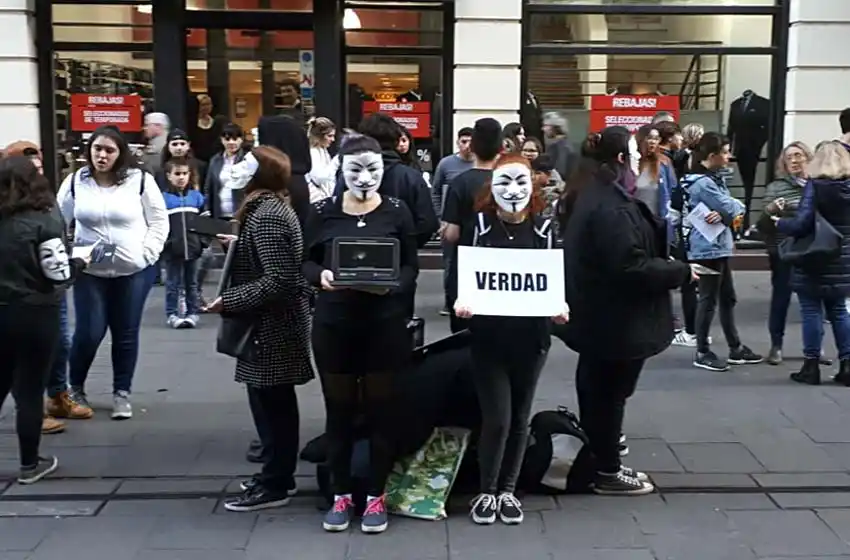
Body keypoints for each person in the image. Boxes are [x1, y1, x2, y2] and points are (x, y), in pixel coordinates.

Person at [558, 126, 692, 495]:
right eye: (633, 155)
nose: (636, 162)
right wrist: (680, 271)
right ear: (620, 160)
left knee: (598, 390)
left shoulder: (590, 193)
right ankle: (607, 470)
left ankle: (601, 458)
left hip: (598, 316)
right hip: (614, 320)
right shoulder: (610, 205)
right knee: (608, 394)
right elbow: (629, 267)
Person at [303, 134, 419, 534]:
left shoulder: (398, 212)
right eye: (355, 169)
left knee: (380, 413)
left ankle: (375, 495)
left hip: (383, 326)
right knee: (339, 412)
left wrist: (394, 286)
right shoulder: (322, 212)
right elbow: (304, 262)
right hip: (335, 326)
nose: (365, 177)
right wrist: (321, 276)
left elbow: (410, 266)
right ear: (340, 171)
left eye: (373, 169)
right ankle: (340, 494)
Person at [454, 153, 569, 525]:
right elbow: (466, 271)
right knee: (498, 418)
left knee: (519, 417)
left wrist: (559, 304)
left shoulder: (544, 228)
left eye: (521, 181)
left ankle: (507, 490)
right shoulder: (481, 226)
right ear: (492, 186)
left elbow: (553, 274)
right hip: (489, 337)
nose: (514, 190)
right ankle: (487, 490)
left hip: (531, 338)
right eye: (505, 182)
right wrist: (462, 300)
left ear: (533, 183)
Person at [202, 147, 314, 511]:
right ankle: (275, 475)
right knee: (270, 402)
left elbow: (279, 279)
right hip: (272, 324)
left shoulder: (266, 215)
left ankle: (277, 482)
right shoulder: (269, 209)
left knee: (273, 405)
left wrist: (229, 300)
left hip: (271, 326)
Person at [56, 126, 169, 420]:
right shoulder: (75, 182)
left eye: (109, 150)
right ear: (89, 151)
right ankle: (75, 388)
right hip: (89, 270)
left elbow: (159, 221)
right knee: (89, 332)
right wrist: (66, 256)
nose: (102, 156)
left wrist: (147, 254)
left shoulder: (140, 181)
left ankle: (122, 393)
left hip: (133, 270)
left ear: (120, 154)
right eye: (97, 149)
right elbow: (58, 221)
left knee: (125, 332)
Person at [0, 156, 90, 483]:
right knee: (29, 391)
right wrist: (80, 262)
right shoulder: (43, 223)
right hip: (35, 313)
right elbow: (58, 274)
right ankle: (29, 465)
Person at [683, 132, 762, 372]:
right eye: (725, 152)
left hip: (716, 246)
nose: (729, 157)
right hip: (706, 248)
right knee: (708, 299)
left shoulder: (713, 179)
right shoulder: (703, 183)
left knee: (727, 298)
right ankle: (702, 351)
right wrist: (731, 209)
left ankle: (735, 347)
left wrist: (726, 212)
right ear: (712, 155)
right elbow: (733, 206)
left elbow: (726, 209)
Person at [774, 141, 850, 385]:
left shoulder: (815, 187)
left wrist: (780, 223)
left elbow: (802, 223)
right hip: (844, 258)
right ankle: (847, 366)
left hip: (816, 255)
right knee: (839, 310)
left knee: (811, 309)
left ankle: (811, 366)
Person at [333, 113, 438, 248]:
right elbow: (427, 223)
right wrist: (406, 245)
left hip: (353, 252)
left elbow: (336, 213)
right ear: (395, 142)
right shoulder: (411, 177)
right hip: (399, 256)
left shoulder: (348, 176)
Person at [442, 118, 503, 333]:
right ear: (501, 147)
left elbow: (452, 234)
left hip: (467, 266)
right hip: (502, 267)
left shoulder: (460, 183)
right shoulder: (511, 183)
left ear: (473, 146)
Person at [757, 141, 813, 365]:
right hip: (784, 250)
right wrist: (770, 211)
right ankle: (776, 346)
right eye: (789, 157)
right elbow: (763, 224)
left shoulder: (819, 184)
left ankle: (813, 350)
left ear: (808, 158)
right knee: (780, 298)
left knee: (813, 303)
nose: (794, 161)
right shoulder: (776, 187)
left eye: (799, 155)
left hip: (812, 250)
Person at [432, 127, 474, 316]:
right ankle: (449, 301)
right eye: (463, 141)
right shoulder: (446, 164)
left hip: (471, 221)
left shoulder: (479, 165)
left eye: (470, 141)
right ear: (457, 142)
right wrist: (440, 218)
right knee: (449, 261)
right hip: (449, 221)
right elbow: (436, 191)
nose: (467, 146)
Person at [161, 158, 205, 328]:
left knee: (191, 283)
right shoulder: (163, 199)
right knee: (172, 283)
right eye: (177, 174)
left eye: (184, 174)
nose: (181, 177)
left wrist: (202, 243)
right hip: (173, 249)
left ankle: (192, 312)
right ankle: (172, 314)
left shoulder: (196, 197)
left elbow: (205, 221)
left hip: (193, 249)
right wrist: (166, 244)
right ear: (169, 176)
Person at [203, 123, 247, 221]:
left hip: (241, 213)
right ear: (222, 140)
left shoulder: (247, 159)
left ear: (241, 140)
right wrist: (207, 208)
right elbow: (208, 188)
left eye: (235, 139)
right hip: (219, 213)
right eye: (227, 139)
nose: (231, 142)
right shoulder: (215, 160)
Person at [306, 117, 338, 203]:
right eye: (329, 136)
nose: (333, 139)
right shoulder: (313, 153)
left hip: (324, 198)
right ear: (319, 136)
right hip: (316, 200)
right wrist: (336, 161)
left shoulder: (322, 150)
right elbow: (319, 178)